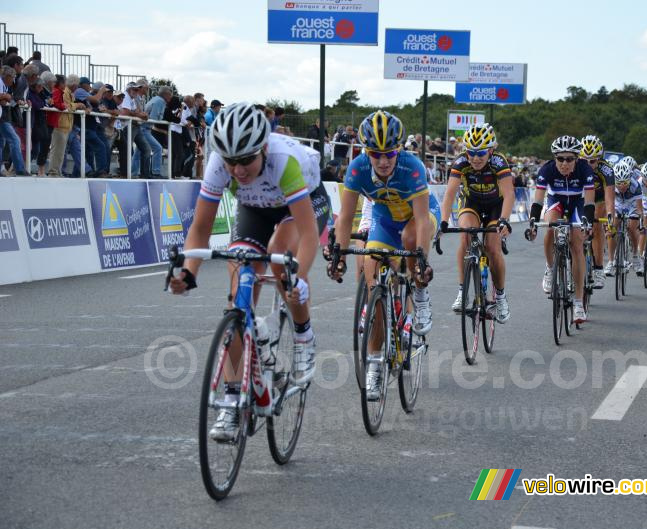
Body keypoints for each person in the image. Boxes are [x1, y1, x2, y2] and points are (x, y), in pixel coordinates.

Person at [169, 102, 330, 441]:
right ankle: (230, 399)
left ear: (263, 148)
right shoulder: (219, 165)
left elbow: (310, 235)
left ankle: (303, 333)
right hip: (255, 208)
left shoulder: (284, 161)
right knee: (238, 293)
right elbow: (200, 228)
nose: (238, 170)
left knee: (278, 257)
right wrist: (188, 272)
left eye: (246, 160)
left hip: (300, 205)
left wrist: (299, 278)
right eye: (231, 162)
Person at [329, 110, 438, 401]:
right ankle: (375, 363)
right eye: (375, 154)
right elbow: (346, 217)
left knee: (410, 239)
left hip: (418, 219)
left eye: (389, 152)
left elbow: (421, 221)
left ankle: (420, 294)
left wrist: (421, 262)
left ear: (398, 148)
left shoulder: (412, 167)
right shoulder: (358, 167)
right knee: (370, 266)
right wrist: (339, 255)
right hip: (385, 219)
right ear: (366, 152)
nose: (383, 160)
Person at [439, 123, 513, 323]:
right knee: (466, 234)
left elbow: (509, 194)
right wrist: (444, 221)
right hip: (471, 202)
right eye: (471, 152)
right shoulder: (461, 162)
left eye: (480, 153)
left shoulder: (499, 162)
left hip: (495, 206)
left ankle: (500, 297)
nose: (475, 158)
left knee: (491, 246)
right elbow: (449, 195)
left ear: (490, 150)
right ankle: (462, 291)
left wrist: (504, 220)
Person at [528, 135, 595, 324]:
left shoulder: (585, 170)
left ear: (577, 159)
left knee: (576, 243)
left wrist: (587, 224)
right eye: (560, 158)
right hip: (556, 201)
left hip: (578, 204)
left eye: (569, 159)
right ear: (554, 158)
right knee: (550, 227)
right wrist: (533, 222)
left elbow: (589, 202)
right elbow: (538, 200)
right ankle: (550, 269)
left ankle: (578, 303)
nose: (564, 163)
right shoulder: (547, 169)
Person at [579, 135, 615, 289]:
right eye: (584, 160)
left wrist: (610, 216)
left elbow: (609, 198)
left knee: (596, 224)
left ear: (599, 159)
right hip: (581, 196)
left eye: (592, 161)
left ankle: (599, 268)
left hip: (599, 198)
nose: (588, 164)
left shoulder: (606, 169)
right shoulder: (575, 165)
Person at [608, 159, 644, 275]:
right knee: (612, 229)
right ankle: (611, 261)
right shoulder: (611, 184)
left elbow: (639, 208)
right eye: (619, 183)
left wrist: (640, 220)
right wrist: (610, 221)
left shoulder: (636, 185)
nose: (622, 186)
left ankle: (635, 255)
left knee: (632, 228)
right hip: (618, 202)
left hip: (632, 203)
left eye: (625, 183)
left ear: (630, 179)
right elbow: (609, 204)